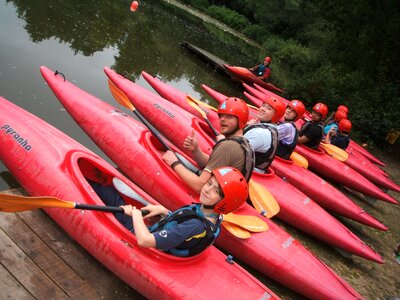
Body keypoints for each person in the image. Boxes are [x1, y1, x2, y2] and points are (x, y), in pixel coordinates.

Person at [90, 167, 248, 257]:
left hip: (145, 246)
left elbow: (144, 241)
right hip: (160, 234)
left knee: (109, 194)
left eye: (216, 191)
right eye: (209, 184)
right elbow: (182, 227)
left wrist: (137, 215)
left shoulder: (195, 226)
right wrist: (165, 212)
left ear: (224, 203)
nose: (207, 190)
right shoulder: (214, 217)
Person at [162, 97, 255, 193]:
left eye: (229, 116)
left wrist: (174, 163)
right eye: (221, 115)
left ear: (241, 121)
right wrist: (196, 150)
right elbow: (213, 164)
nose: (222, 119)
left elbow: (199, 186)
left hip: (215, 200)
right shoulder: (245, 143)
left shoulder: (227, 147)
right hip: (226, 194)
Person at [243, 97, 286, 173]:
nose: (262, 109)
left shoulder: (261, 133)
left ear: (275, 116)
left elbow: (235, 150)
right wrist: (246, 125)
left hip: (249, 172)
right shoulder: (273, 128)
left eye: (269, 108)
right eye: (263, 105)